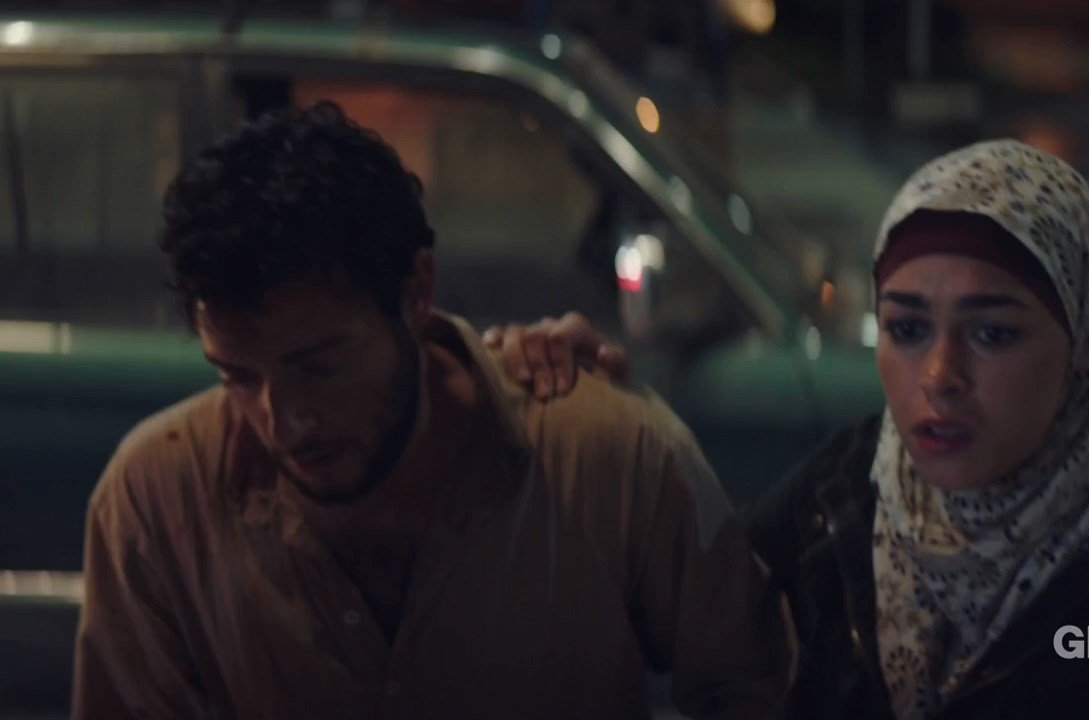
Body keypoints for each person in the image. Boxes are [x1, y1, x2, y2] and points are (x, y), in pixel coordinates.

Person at [483, 139, 1089, 718]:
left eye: (992, 333)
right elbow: (671, 629)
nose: (939, 376)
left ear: (1087, 344)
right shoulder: (844, 498)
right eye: (905, 329)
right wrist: (560, 395)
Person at [71, 102, 793, 719]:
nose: (284, 424)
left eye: (319, 366)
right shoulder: (155, 499)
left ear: (416, 291)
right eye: (237, 376)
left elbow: (760, 687)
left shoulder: (604, 452)